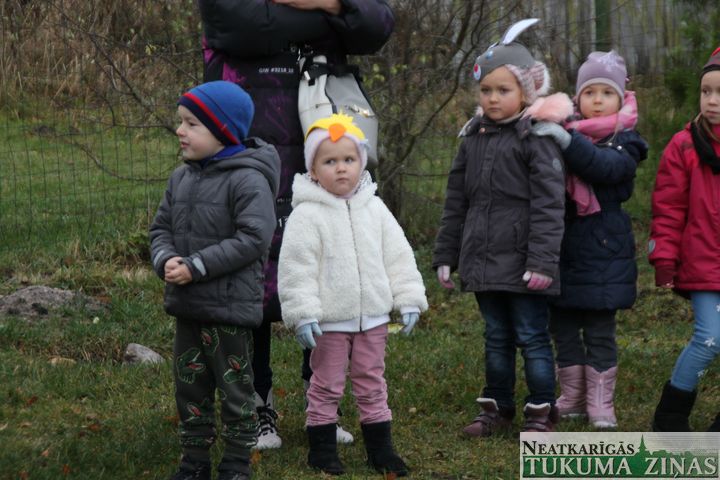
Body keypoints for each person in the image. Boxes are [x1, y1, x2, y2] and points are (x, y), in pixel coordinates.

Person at [197, 0, 395, 449]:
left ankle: (321, 402)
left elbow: (376, 24)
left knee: (327, 266)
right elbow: (237, 25)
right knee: (252, 272)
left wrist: (331, 3)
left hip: (321, 134)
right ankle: (256, 405)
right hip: (247, 134)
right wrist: (330, 20)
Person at [432, 20, 566, 437]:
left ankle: (541, 410)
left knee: (532, 335)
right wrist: (446, 255)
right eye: (486, 90)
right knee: (496, 337)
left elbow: (549, 205)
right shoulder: (472, 138)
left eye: (503, 90)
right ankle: (497, 408)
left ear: (526, 92)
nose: (492, 98)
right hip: (484, 261)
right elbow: (456, 202)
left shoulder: (536, 138)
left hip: (526, 264)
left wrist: (542, 262)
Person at [277, 113, 427, 476]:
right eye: (330, 161)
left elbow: (398, 255)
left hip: (373, 317)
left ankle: (381, 450)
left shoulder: (375, 208)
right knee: (326, 383)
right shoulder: (306, 215)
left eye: (349, 159)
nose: (341, 168)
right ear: (313, 170)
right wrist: (302, 313)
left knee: (372, 382)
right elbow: (296, 269)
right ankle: (322, 449)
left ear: (361, 163)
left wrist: (408, 297)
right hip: (330, 320)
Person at [149, 81, 280, 480]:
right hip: (188, 306)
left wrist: (197, 266)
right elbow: (160, 229)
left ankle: (237, 463)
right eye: (181, 122)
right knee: (189, 385)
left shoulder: (248, 180)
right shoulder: (181, 178)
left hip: (229, 310)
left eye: (192, 124)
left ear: (223, 131)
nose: (180, 131)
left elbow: (254, 238)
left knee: (236, 388)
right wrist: (166, 259)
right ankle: (194, 461)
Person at [531, 51, 648, 428]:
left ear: (621, 97)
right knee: (563, 326)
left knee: (599, 330)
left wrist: (567, 141)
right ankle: (573, 396)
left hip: (603, 249)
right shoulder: (563, 130)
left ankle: (601, 402)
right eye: (590, 92)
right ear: (577, 97)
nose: (597, 100)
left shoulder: (626, 140)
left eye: (607, 93)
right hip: (563, 246)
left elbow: (603, 168)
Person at [648, 46, 720, 432]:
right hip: (704, 264)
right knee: (710, 339)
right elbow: (669, 208)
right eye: (706, 91)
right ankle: (670, 417)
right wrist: (664, 258)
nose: (712, 101)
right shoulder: (685, 145)